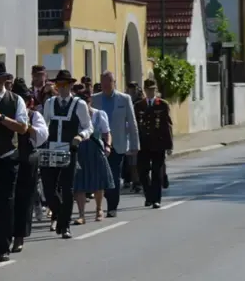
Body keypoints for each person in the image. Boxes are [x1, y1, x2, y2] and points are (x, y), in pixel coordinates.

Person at [0, 61, 30, 261]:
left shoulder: (15, 100)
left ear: (3, 80)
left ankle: (3, 246)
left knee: (4, 203)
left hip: (7, 157)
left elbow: (22, 128)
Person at [40, 70, 93, 239]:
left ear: (70, 85)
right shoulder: (50, 103)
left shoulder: (79, 104)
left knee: (67, 188)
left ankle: (65, 226)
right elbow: (44, 124)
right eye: (58, 85)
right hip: (51, 149)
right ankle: (60, 213)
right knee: (48, 189)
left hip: (69, 149)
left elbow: (88, 127)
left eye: (64, 85)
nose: (61, 88)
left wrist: (80, 136)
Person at [91, 71, 140, 217]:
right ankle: (104, 199)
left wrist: (135, 144)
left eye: (109, 82)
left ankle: (112, 207)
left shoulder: (124, 99)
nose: (106, 85)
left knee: (114, 175)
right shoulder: (94, 99)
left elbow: (132, 122)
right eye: (103, 83)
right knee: (101, 176)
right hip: (99, 144)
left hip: (117, 144)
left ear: (114, 83)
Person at [10, 78, 49, 252]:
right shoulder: (7, 115)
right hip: (9, 159)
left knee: (24, 199)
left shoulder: (34, 115)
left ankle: (19, 236)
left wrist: (27, 126)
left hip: (27, 159)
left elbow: (42, 136)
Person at [72, 84, 115, 223]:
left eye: (85, 102)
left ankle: (99, 209)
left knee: (98, 182)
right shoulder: (74, 116)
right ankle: (81, 214)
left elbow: (106, 133)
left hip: (95, 149)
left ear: (89, 101)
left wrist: (108, 146)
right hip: (79, 150)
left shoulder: (99, 114)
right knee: (79, 182)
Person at [134, 79, 174, 209]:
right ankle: (149, 196)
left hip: (158, 143)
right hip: (143, 144)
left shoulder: (162, 104)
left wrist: (169, 145)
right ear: (145, 90)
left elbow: (167, 125)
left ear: (155, 90)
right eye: (148, 90)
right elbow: (134, 126)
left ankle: (156, 199)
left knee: (157, 172)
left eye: (153, 90)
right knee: (143, 172)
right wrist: (133, 143)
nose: (150, 92)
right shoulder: (139, 105)